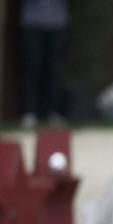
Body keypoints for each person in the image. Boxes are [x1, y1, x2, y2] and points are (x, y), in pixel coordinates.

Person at [19, 0, 69, 128]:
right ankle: (30, 112)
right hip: (32, 22)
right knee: (32, 67)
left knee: (53, 68)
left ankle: (50, 112)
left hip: (57, 22)